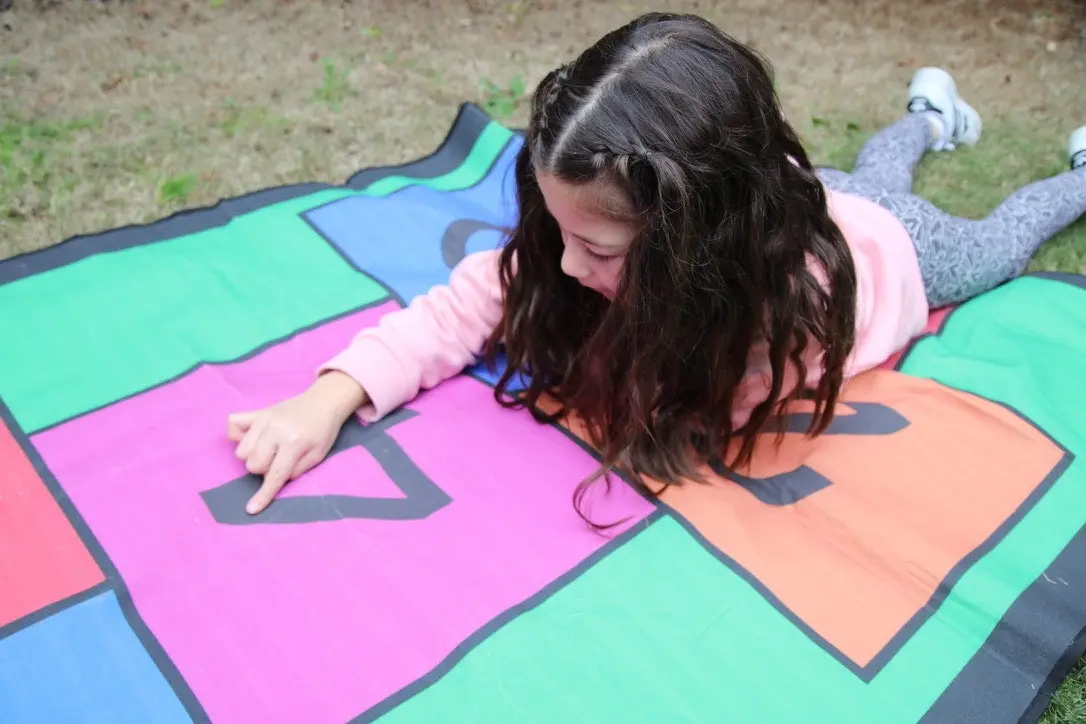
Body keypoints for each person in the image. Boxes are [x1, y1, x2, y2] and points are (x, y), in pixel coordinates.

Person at [227, 12, 1086, 518]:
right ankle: (930, 117)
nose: (562, 267)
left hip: (896, 249)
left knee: (999, 239)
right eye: (556, 230)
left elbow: (682, 417)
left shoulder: (767, 329)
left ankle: (1071, 173)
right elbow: (464, 305)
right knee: (871, 170)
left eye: (597, 249)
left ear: (694, 256)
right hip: (807, 198)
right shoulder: (658, 230)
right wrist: (326, 397)